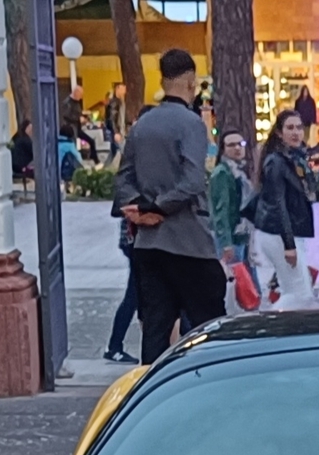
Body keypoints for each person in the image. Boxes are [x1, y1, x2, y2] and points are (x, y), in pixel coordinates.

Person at [111, 48, 226, 362]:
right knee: (210, 329)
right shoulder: (191, 124)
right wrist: (157, 208)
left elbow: (122, 180)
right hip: (189, 243)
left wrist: (141, 209)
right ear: (190, 81)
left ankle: (151, 395)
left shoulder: (142, 125)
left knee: (155, 330)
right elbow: (192, 182)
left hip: (149, 246)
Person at [251, 110, 318, 310]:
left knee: (300, 291)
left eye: (299, 127)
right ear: (279, 133)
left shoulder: (294, 159)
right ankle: (270, 329)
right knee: (300, 294)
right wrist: (289, 244)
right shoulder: (277, 162)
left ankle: (286, 331)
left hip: (285, 233)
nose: (296, 132)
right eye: (290, 128)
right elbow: (279, 204)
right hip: (279, 234)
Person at [207, 130, 253, 301]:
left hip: (241, 235)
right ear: (223, 149)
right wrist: (226, 242)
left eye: (240, 144)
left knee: (245, 285)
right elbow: (221, 211)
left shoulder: (238, 171)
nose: (237, 148)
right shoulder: (223, 173)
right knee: (235, 287)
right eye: (231, 145)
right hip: (231, 237)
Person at [104, 211, 139, 363]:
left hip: (134, 241)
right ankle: (114, 348)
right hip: (137, 242)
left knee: (133, 297)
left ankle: (115, 347)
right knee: (133, 297)